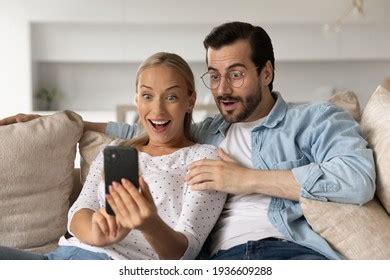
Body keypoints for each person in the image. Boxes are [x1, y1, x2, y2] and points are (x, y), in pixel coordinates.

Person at [0, 22, 375, 260]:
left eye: (237, 74)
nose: (223, 89)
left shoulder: (313, 119)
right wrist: (64, 121)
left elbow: (356, 178)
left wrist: (245, 179)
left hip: (288, 250)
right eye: (214, 75)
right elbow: (146, 133)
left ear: (267, 72)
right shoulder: (211, 130)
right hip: (220, 258)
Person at [0, 52, 226, 260]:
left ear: (190, 101)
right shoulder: (117, 150)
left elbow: (186, 253)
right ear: (137, 99)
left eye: (171, 97)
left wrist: (150, 224)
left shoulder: (203, 157)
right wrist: (98, 233)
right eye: (147, 96)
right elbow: (78, 213)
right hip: (58, 258)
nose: (157, 110)